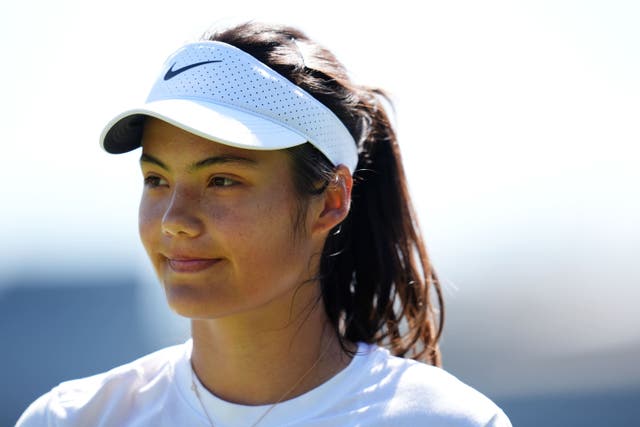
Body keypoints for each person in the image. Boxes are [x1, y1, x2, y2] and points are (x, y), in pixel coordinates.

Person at [16, 22, 511, 427]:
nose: (175, 221)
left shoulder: (447, 420)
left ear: (331, 201)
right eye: (157, 179)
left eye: (222, 180)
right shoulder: (72, 418)